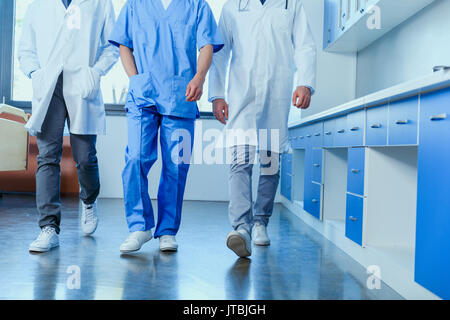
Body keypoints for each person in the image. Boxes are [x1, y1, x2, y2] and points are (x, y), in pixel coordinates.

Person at [109, 0, 223, 253]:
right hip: (143, 93)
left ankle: (167, 230)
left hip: (181, 92)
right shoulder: (135, 5)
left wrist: (199, 77)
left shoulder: (196, 5)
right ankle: (139, 227)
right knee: (136, 158)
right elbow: (124, 45)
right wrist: (135, 79)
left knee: (176, 166)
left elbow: (207, 45)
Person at [209, 0, 317, 258]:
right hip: (241, 93)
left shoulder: (291, 4)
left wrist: (305, 83)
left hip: (276, 92)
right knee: (240, 162)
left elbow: (305, 45)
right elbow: (220, 52)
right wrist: (216, 94)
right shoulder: (232, 6)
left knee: (270, 162)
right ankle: (241, 228)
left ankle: (260, 222)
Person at [18, 0, 119, 253]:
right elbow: (26, 49)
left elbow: (112, 46)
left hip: (82, 84)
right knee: (47, 156)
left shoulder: (100, 3)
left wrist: (96, 72)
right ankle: (48, 227)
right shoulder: (37, 5)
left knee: (85, 157)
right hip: (49, 86)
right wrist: (35, 73)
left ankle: (89, 199)